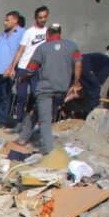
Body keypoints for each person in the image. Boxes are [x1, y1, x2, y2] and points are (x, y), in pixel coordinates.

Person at [18, 23, 81, 154]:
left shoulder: (42, 48)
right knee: (36, 112)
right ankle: (22, 139)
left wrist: (23, 78)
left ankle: (49, 152)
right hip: (62, 89)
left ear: (48, 34)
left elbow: (31, 69)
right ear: (60, 33)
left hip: (45, 89)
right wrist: (75, 83)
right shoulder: (72, 47)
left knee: (45, 121)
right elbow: (78, 65)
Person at [10, 6, 49, 131]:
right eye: (40, 17)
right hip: (23, 67)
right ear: (36, 18)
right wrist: (13, 67)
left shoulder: (48, 33)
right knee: (21, 95)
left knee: (35, 94)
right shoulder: (29, 32)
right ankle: (19, 121)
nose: (42, 20)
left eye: (44, 17)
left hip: (38, 68)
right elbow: (20, 50)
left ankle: (30, 121)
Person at [0, 11, 24, 128]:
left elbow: (20, 52)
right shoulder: (1, 35)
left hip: (7, 71)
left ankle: (2, 122)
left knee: (5, 98)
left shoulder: (22, 34)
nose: (5, 22)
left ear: (15, 20)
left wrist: (12, 67)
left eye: (7, 20)